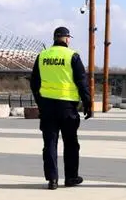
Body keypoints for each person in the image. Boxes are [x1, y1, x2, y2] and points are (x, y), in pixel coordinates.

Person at [30, 26, 92, 190]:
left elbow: (34, 82)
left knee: (50, 143)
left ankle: (52, 179)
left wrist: (40, 102)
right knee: (71, 143)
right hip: (67, 107)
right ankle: (71, 177)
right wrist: (87, 103)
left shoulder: (42, 56)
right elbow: (81, 81)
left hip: (48, 106)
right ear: (66, 38)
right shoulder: (72, 55)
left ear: (54, 38)